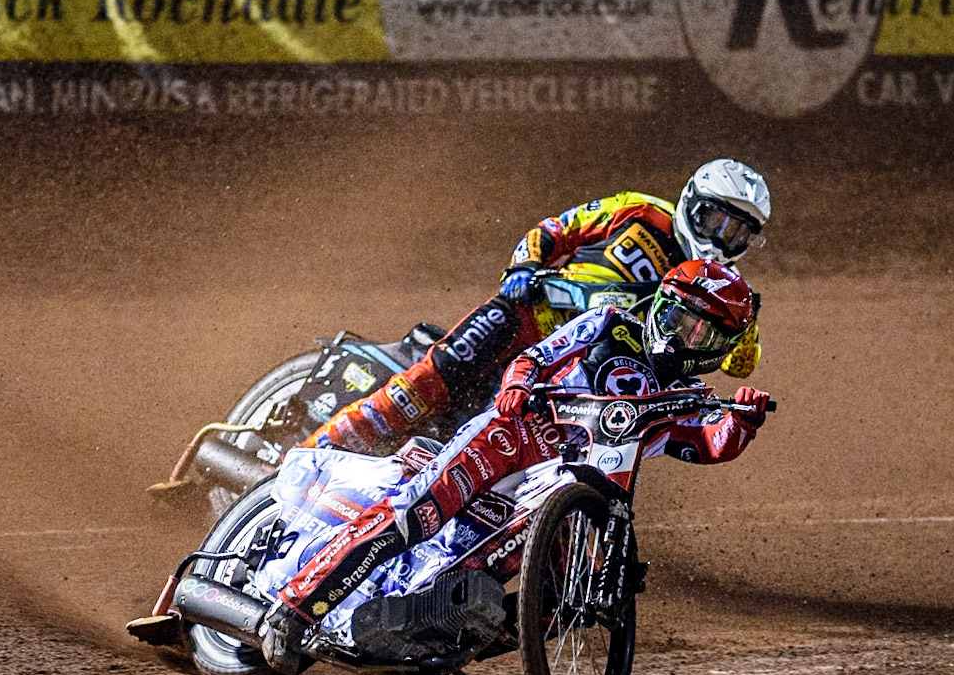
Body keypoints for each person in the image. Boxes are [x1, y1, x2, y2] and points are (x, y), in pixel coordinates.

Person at [262, 259, 772, 675]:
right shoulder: (610, 324)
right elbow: (534, 356)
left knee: (569, 597)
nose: (682, 334)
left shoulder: (691, 397)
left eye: (701, 333)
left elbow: (709, 443)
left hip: (565, 488)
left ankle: (445, 641)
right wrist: (516, 387)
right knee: (413, 517)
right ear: (660, 306)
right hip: (510, 438)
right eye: (679, 317)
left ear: (717, 351)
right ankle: (295, 606)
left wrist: (743, 422)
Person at [301, 158, 771, 456]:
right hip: (529, 314)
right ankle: (311, 453)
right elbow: (554, 230)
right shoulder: (641, 210)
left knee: (503, 447)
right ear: (692, 202)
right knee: (431, 380)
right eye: (716, 220)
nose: (720, 239)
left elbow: (738, 365)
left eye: (738, 233)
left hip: (579, 367)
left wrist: (747, 322)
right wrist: (523, 267)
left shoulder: (722, 291)